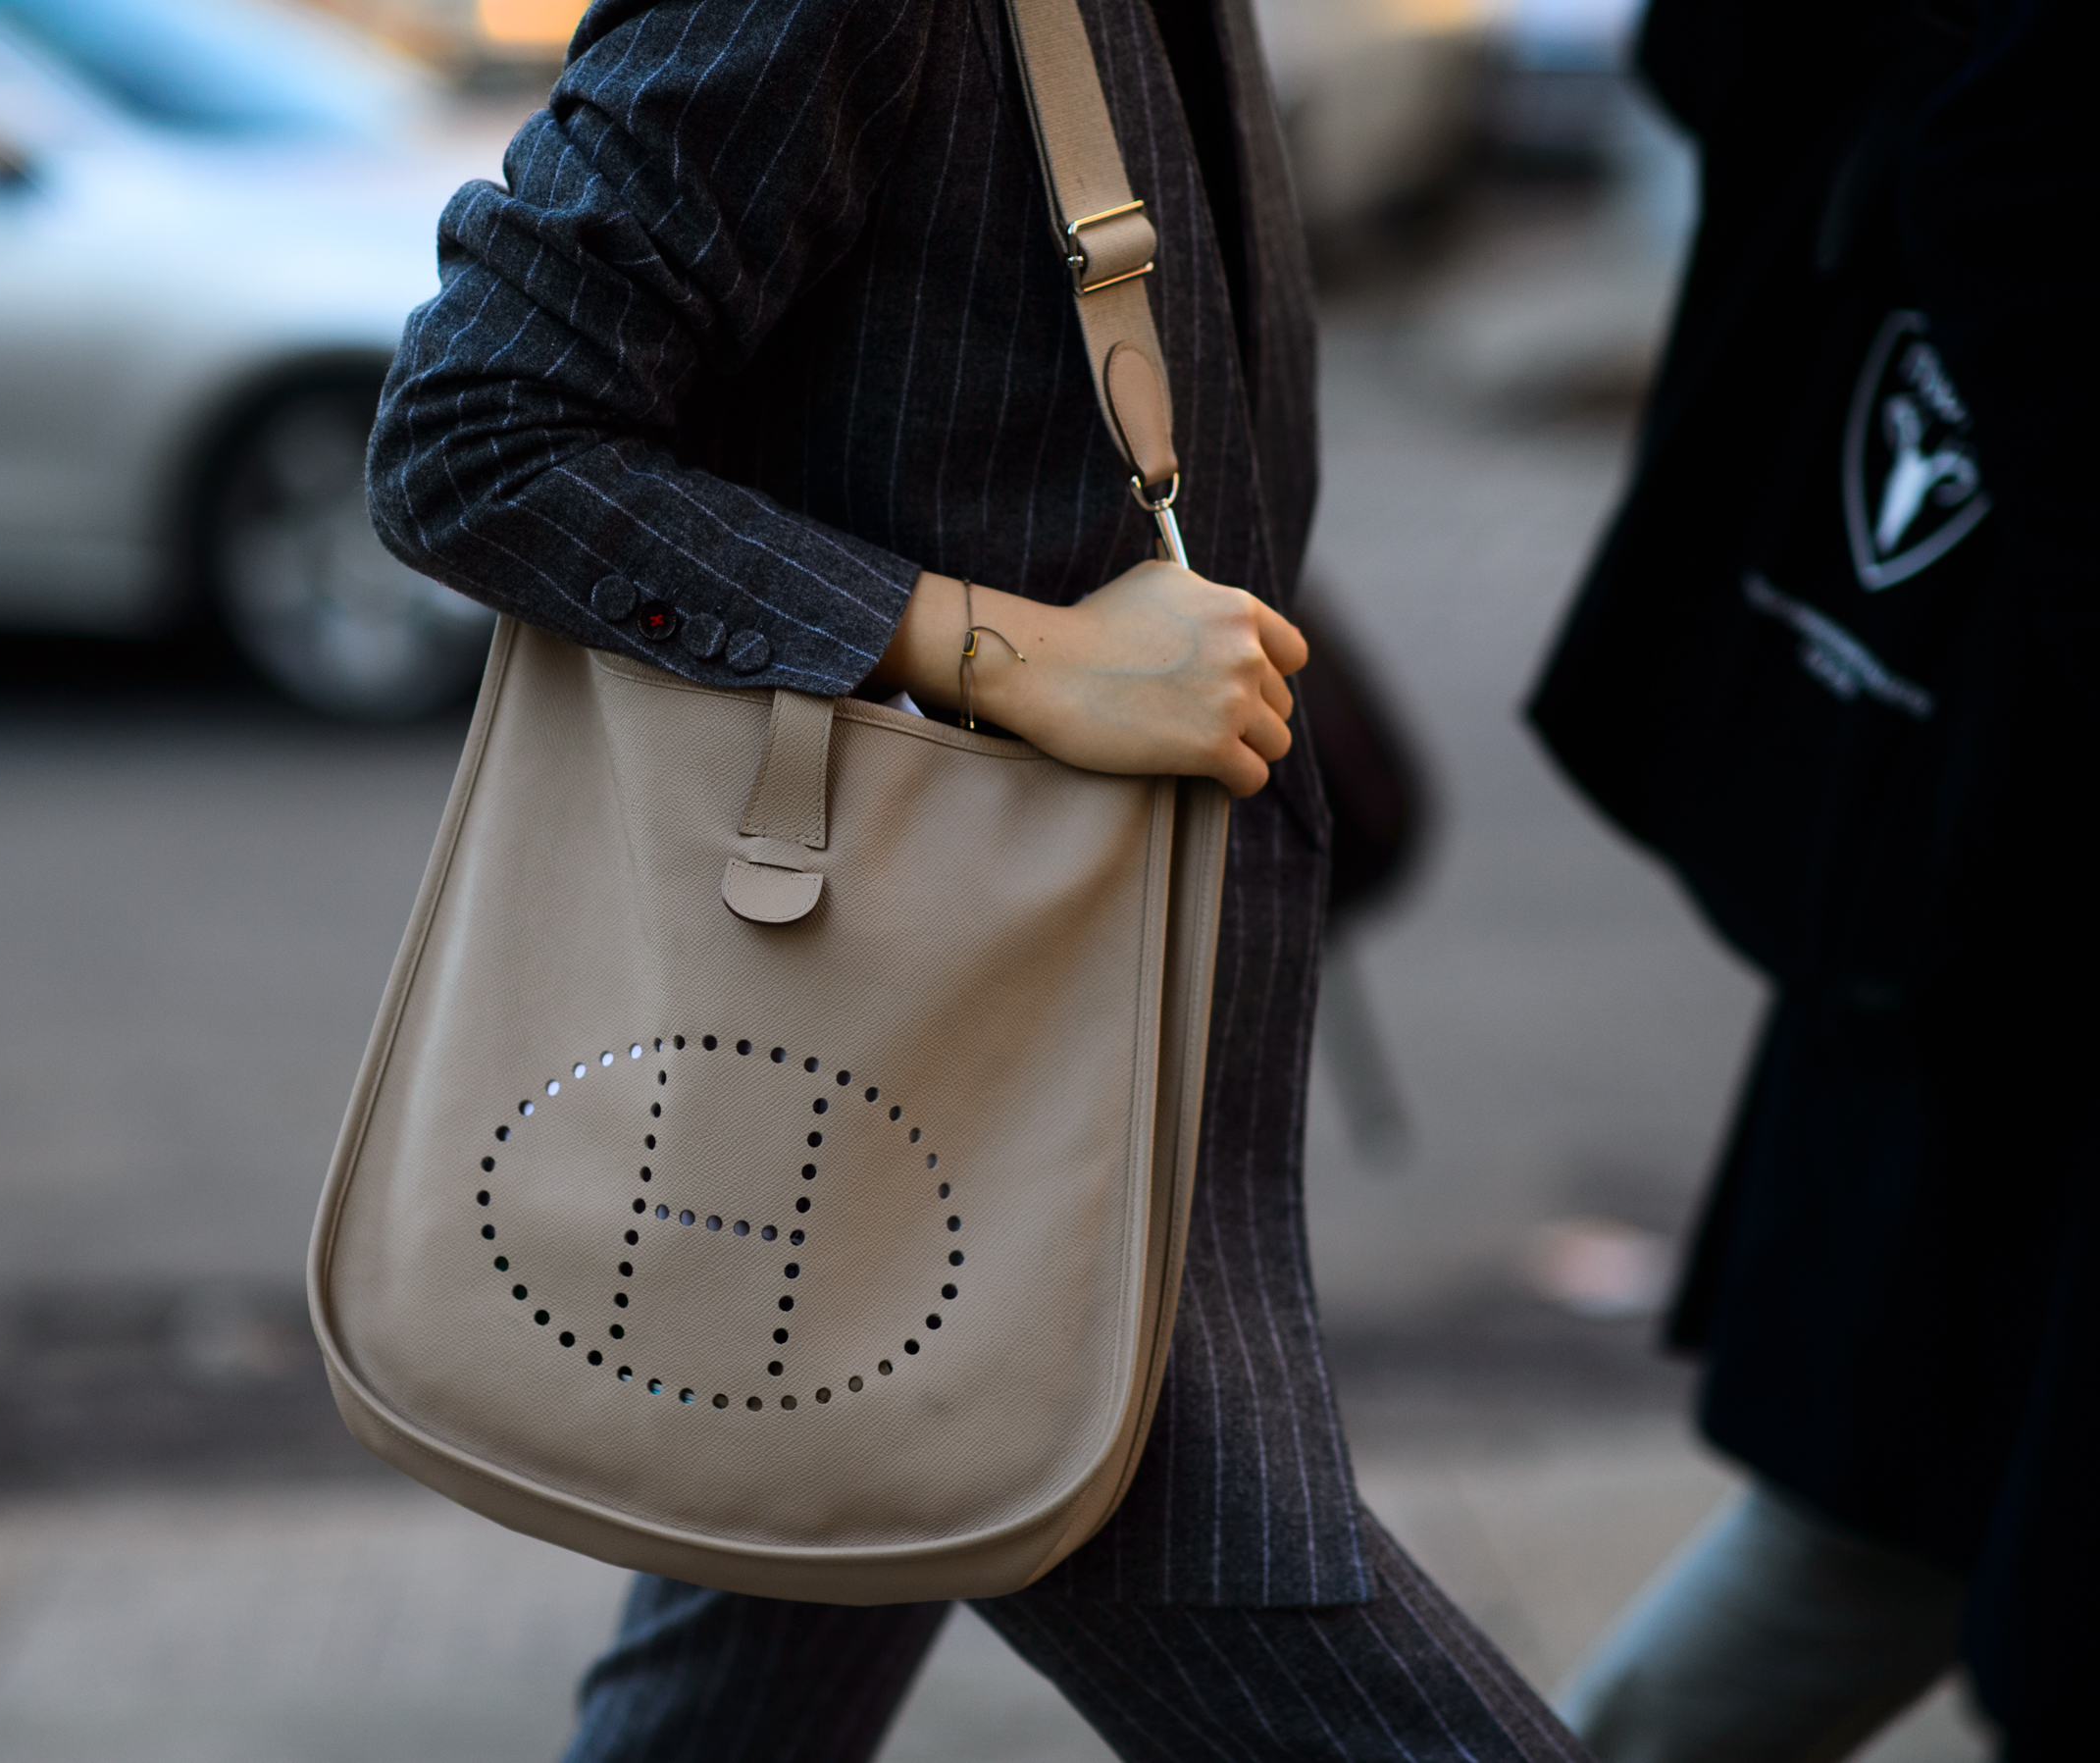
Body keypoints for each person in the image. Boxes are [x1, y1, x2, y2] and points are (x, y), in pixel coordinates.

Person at [364, 1, 1589, 1757]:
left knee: (729, 1699)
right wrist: (1010, 654)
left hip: (959, 1098)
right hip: (940, 1108)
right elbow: (472, 431)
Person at [1527, 1, 2097, 1758]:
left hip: (1972, 832)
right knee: (1905, 1500)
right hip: (2012, 850)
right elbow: (1999, 161)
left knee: (1888, 1504)